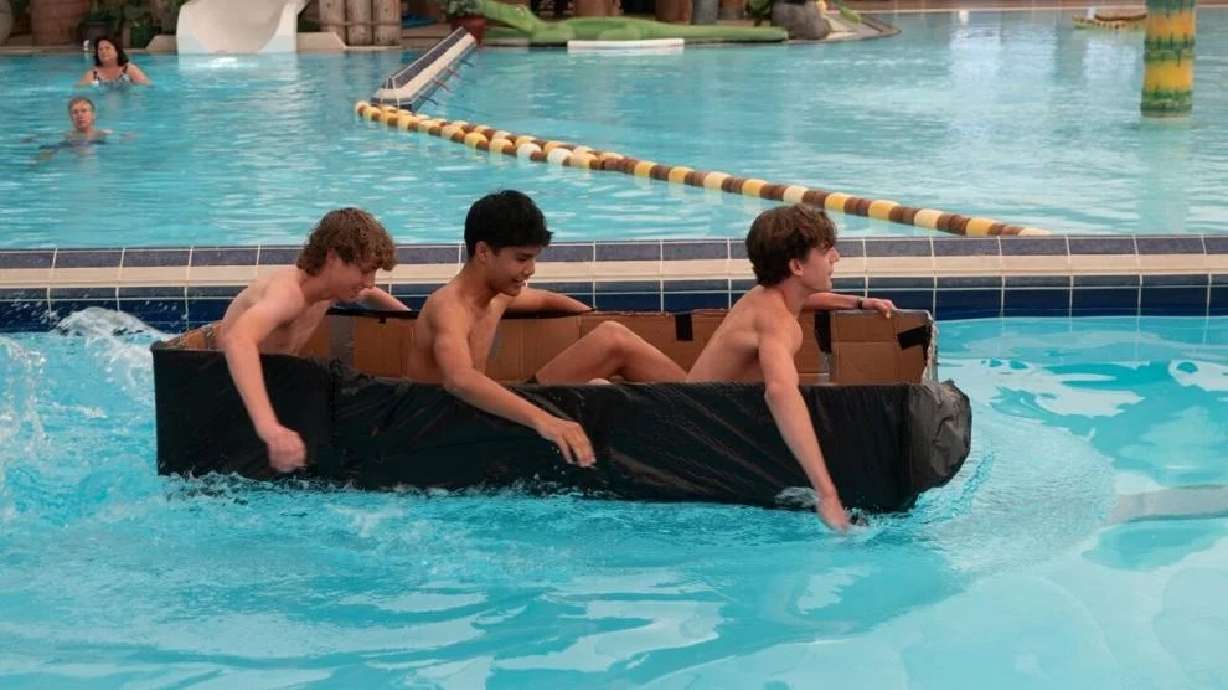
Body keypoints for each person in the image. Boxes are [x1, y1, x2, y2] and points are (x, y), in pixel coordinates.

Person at [407, 190, 688, 466]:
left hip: (485, 414)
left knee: (612, 338)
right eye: (521, 258)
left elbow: (545, 299)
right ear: (483, 252)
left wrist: (590, 314)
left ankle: (704, 409)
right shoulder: (449, 307)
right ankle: (702, 415)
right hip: (447, 430)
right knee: (600, 387)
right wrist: (547, 421)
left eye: (533, 258)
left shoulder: (498, 296)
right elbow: (460, 380)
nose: (531, 269)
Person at [687, 204, 894, 532]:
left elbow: (801, 298)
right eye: (826, 251)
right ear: (797, 265)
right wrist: (827, 495)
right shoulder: (776, 323)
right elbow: (781, 392)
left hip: (693, 398)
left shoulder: (768, 296)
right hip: (692, 428)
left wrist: (856, 302)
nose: (836, 258)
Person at [216, 208, 406, 472]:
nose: (369, 282)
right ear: (333, 257)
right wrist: (270, 429)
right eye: (364, 271)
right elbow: (238, 340)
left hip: (275, 379)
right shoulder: (287, 295)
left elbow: (373, 295)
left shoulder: (329, 288)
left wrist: (413, 324)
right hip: (222, 390)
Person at [36, 97, 110, 161]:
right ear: (71, 117)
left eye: (84, 111)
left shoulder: (104, 134)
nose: (80, 115)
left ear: (93, 115)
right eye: (75, 112)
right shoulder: (66, 136)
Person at [77, 36, 151, 87]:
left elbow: (147, 87)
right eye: (100, 49)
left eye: (107, 48)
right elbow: (80, 93)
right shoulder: (93, 75)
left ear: (117, 51)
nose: (103, 51)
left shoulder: (129, 70)